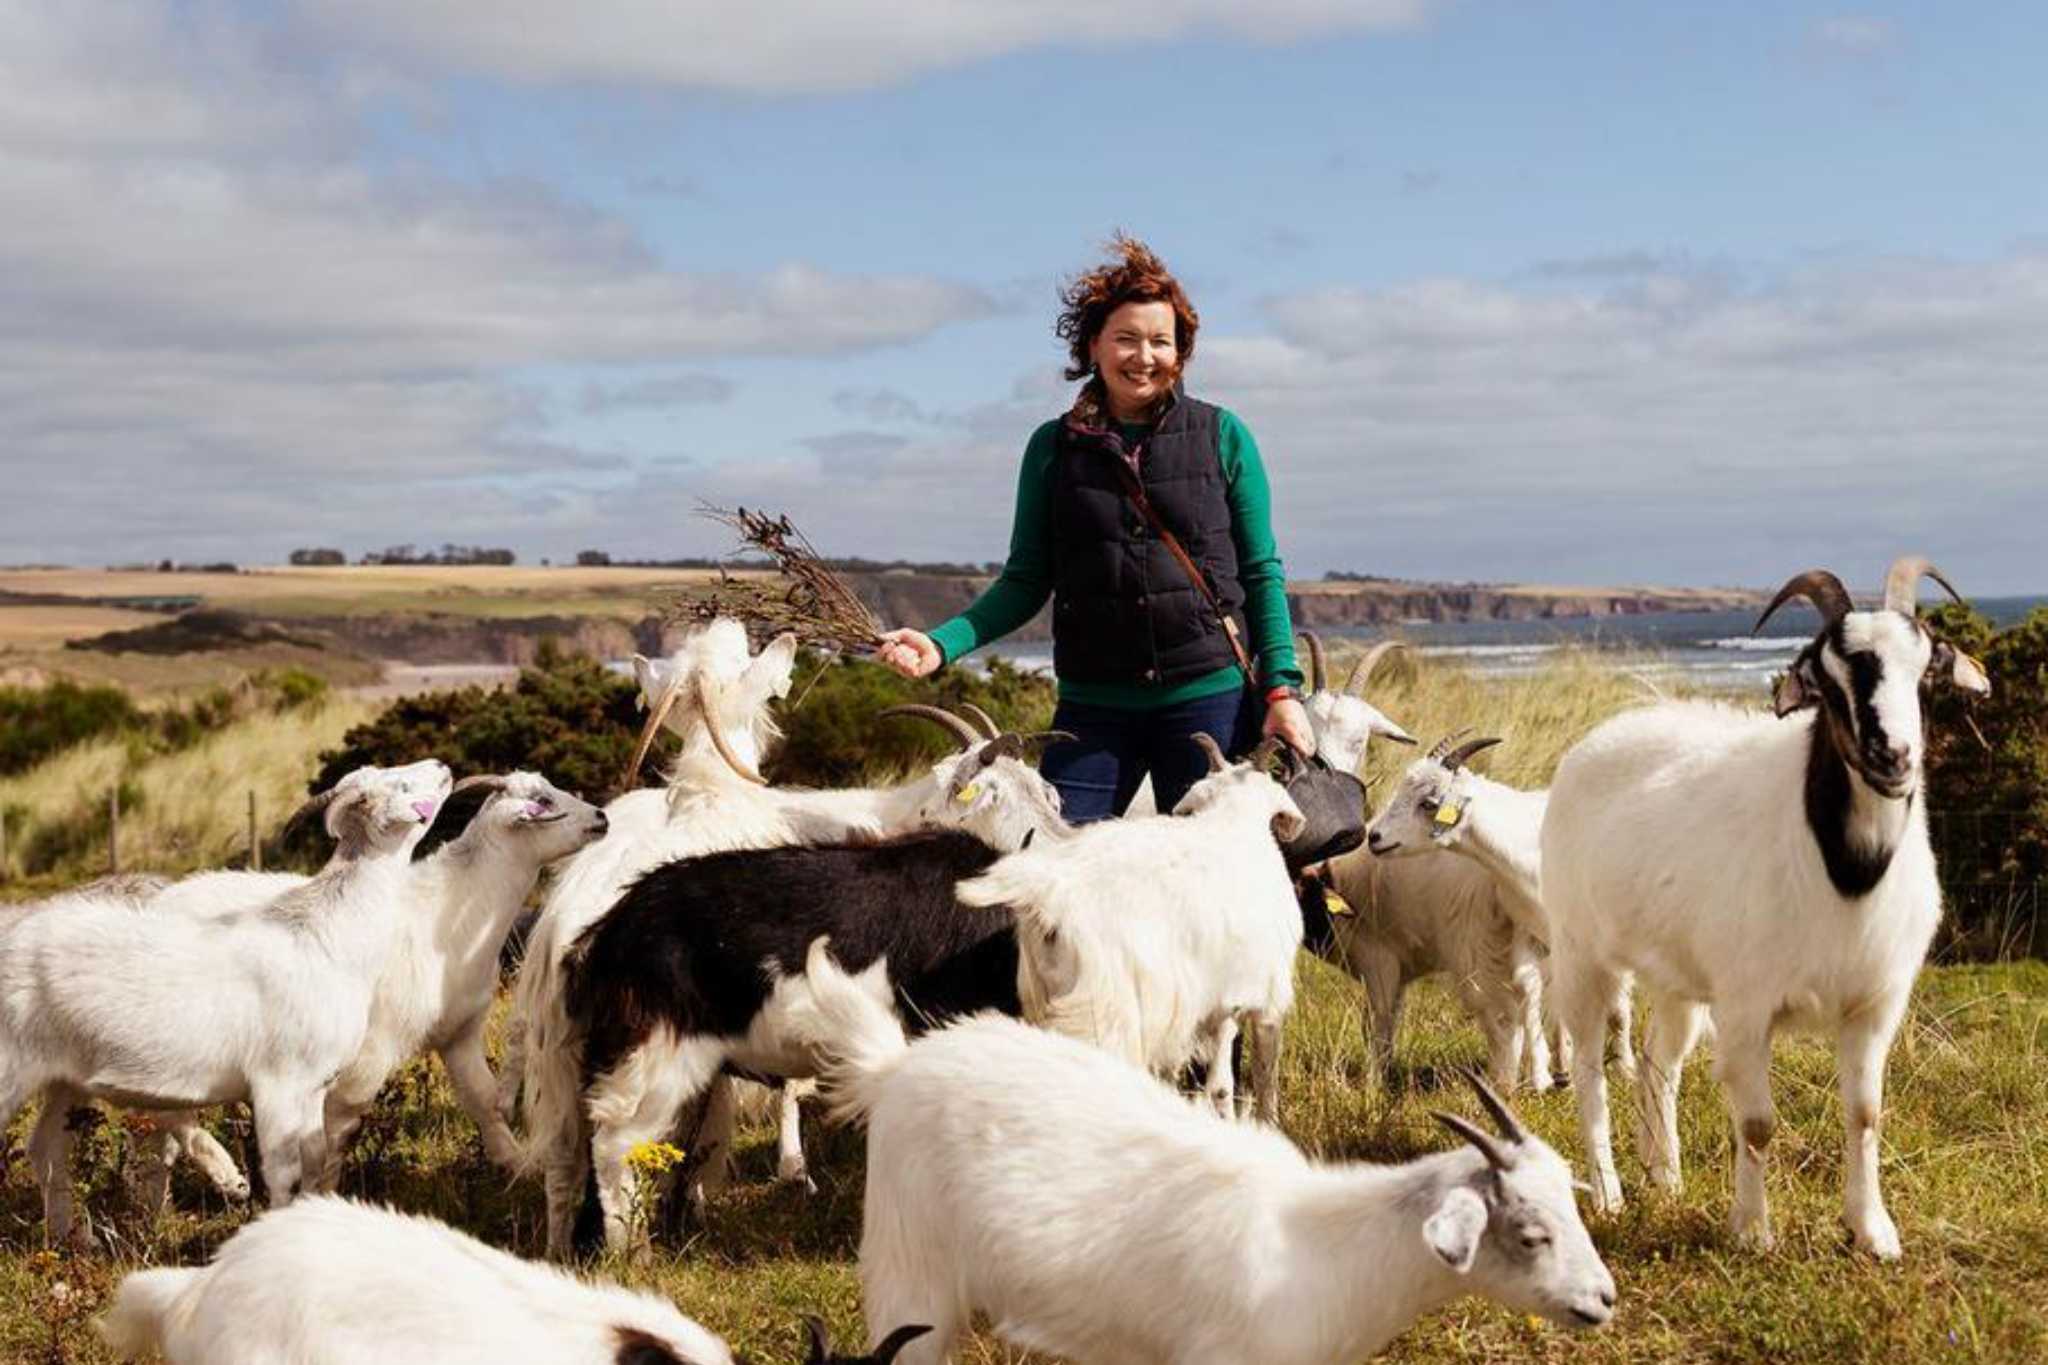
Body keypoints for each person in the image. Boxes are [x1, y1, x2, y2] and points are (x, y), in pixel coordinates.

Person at [877, 234, 1312, 822]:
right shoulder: (1052, 448)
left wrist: (1282, 691)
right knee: (1053, 863)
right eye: (1126, 339)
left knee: (1205, 881)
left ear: (1180, 353)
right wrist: (940, 643)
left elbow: (1261, 572)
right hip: (1094, 709)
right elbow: (1027, 578)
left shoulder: (1223, 434)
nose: (1144, 356)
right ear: (1094, 346)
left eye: (1161, 341)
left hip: (1208, 698)